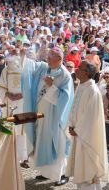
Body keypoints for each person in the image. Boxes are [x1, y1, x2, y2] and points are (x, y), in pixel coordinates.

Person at [21, 47, 74, 186]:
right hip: (41, 116)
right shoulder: (45, 68)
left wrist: (52, 86)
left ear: (60, 59)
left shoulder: (65, 76)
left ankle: (63, 174)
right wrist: (23, 56)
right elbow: (31, 66)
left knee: (59, 145)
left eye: (51, 57)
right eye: (48, 57)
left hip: (56, 118)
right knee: (42, 143)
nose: (48, 59)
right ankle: (46, 173)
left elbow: (65, 99)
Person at [67, 61, 108, 189]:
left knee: (88, 169)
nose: (76, 70)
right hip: (78, 133)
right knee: (81, 167)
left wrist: (77, 129)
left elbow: (91, 117)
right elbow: (76, 108)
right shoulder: (82, 85)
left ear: (87, 73)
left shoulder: (92, 90)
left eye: (80, 68)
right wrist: (71, 124)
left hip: (87, 136)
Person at [0, 52, 27, 165]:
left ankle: (23, 156)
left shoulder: (25, 69)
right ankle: (9, 154)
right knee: (11, 125)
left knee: (22, 129)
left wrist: (23, 94)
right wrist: (8, 94)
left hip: (23, 102)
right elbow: (0, 87)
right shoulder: (6, 70)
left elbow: (30, 86)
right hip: (9, 102)